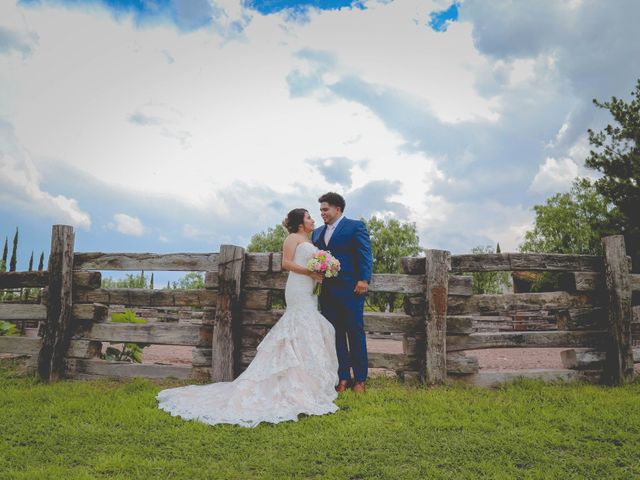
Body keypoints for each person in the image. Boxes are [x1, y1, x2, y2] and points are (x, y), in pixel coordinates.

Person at [156, 208, 339, 427]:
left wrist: (324, 269)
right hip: (298, 287)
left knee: (307, 326)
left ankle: (308, 381)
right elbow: (286, 263)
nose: (313, 220)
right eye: (309, 217)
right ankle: (289, 382)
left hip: (308, 288)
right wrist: (309, 272)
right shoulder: (292, 238)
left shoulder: (308, 240)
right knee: (299, 323)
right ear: (300, 223)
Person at [312, 192, 373, 393]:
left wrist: (364, 279)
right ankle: (342, 377)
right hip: (327, 292)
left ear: (337, 209)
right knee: (334, 335)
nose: (322, 213)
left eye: (325, 209)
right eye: (320, 210)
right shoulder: (318, 232)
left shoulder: (355, 226)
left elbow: (365, 254)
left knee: (355, 333)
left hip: (352, 290)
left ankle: (360, 380)